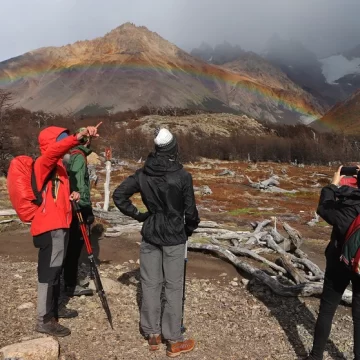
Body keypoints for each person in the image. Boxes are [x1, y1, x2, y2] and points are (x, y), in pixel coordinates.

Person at [113, 128, 200, 357]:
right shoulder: (182, 176)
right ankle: (173, 340)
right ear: (173, 147)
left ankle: (152, 334)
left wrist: (141, 215)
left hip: (151, 233)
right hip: (174, 236)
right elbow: (190, 212)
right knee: (173, 287)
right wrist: (187, 230)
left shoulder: (143, 173)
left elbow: (119, 195)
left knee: (150, 284)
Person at [32, 125, 99, 337]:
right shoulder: (44, 162)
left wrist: (72, 195)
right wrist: (77, 137)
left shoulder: (59, 167)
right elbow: (54, 151)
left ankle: (54, 310)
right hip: (50, 227)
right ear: (54, 144)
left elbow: (57, 194)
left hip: (61, 224)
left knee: (57, 269)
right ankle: (43, 319)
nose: (66, 145)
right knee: (49, 271)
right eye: (62, 140)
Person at [306, 166, 360, 360]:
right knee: (359, 315)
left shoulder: (346, 205)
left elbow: (323, 207)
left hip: (339, 261)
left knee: (327, 309)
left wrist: (333, 184)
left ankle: (316, 356)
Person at [62, 129, 95, 297]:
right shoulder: (79, 158)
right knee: (74, 245)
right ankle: (69, 283)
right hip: (78, 207)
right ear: (86, 142)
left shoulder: (74, 155)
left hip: (75, 205)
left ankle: (67, 280)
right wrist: (85, 206)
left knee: (72, 245)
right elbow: (78, 184)